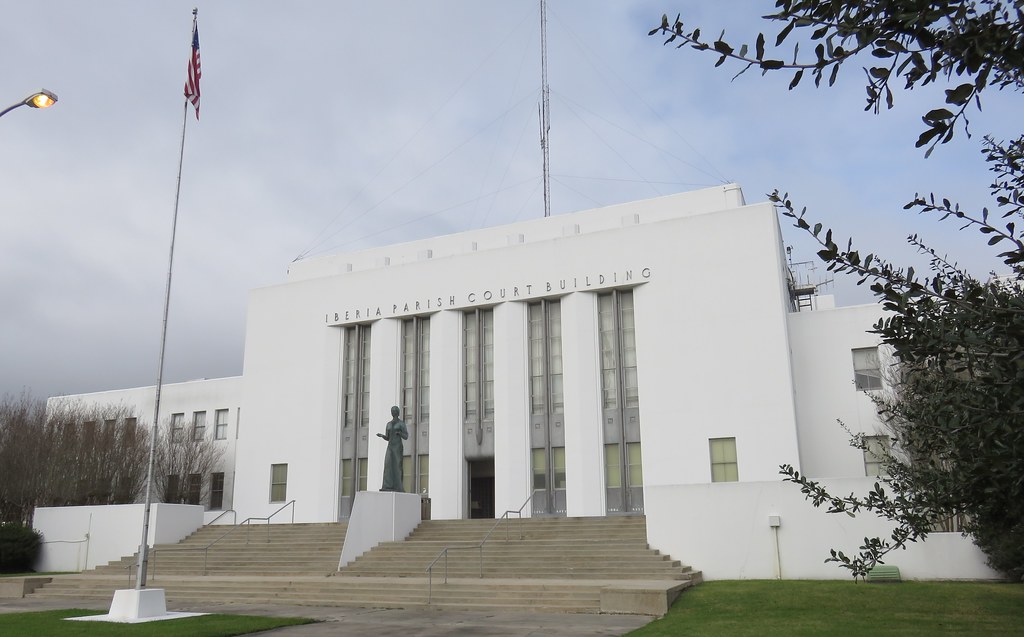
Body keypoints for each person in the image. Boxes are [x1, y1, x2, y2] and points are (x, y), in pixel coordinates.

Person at [376, 405, 408, 492]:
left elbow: (406, 436)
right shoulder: (388, 424)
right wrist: (382, 436)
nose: (393, 412)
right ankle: (387, 485)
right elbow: (388, 437)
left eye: (395, 411)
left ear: (397, 412)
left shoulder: (401, 423)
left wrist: (400, 433)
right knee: (388, 464)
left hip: (397, 447)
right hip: (390, 446)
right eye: (392, 411)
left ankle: (399, 486)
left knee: (398, 466)